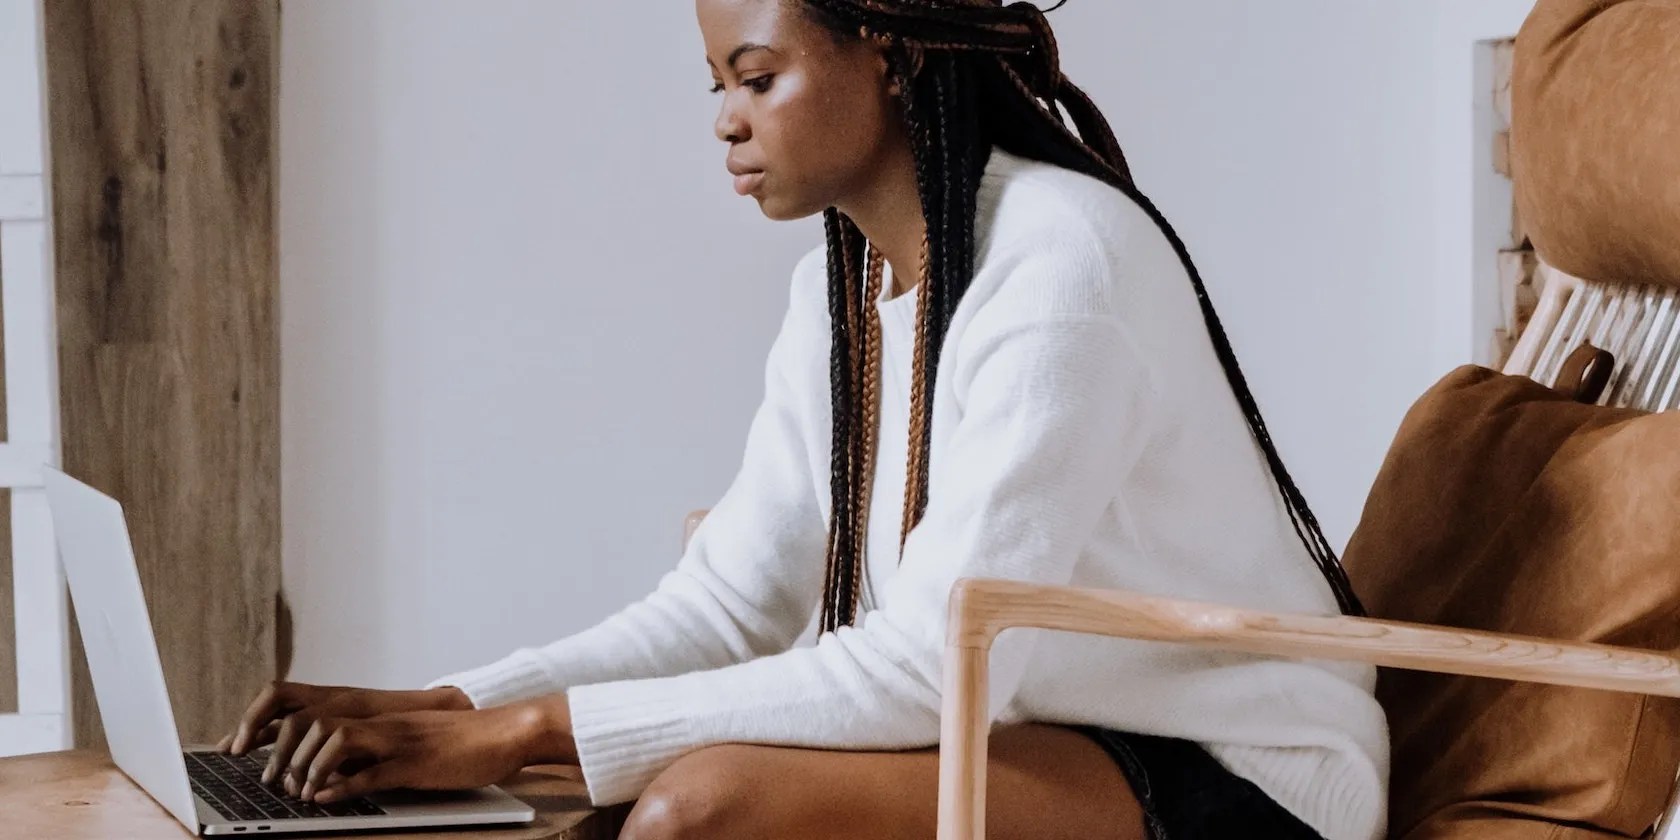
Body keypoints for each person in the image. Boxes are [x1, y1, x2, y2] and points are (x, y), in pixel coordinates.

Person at [218, 2, 1388, 837]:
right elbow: (735, 602)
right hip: (1041, 729)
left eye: (757, 75)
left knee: (697, 808)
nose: (725, 120)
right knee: (611, 795)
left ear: (883, 54)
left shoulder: (1062, 265)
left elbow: (937, 663)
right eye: (716, 85)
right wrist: (455, 707)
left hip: (1239, 776)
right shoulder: (850, 287)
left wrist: (533, 728)